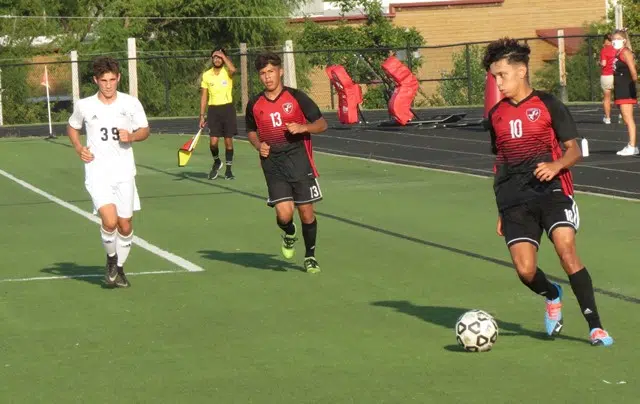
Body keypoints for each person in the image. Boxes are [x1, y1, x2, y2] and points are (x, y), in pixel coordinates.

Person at [483, 38, 613, 346]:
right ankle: (552, 294)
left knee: (566, 249)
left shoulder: (548, 104)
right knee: (525, 271)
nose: (498, 83)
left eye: (502, 75)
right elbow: (499, 163)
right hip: (514, 198)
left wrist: (556, 166)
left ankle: (595, 326)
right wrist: (501, 209)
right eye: (494, 77)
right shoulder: (495, 116)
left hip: (552, 190)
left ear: (522, 71)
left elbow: (574, 150)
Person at [67, 56, 150, 288]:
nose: (108, 85)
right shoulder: (84, 105)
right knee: (110, 221)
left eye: (112, 79)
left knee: (125, 225)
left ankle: (119, 269)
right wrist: (78, 147)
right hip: (97, 172)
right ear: (96, 80)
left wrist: (131, 136)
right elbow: (73, 127)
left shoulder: (130, 103)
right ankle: (112, 259)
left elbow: (145, 130)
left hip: (124, 172)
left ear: (119, 78)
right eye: (103, 80)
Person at [245, 52, 328, 273]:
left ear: (280, 72)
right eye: (262, 73)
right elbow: (251, 131)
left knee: (307, 213)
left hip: (298, 159)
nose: (267, 77)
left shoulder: (297, 97)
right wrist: (258, 144)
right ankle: (289, 232)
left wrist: (303, 128)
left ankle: (310, 256)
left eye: (271, 71)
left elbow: (321, 124)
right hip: (273, 163)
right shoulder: (254, 104)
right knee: (284, 214)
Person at [199, 47, 238, 179]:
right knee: (213, 143)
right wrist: (202, 115)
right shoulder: (206, 75)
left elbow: (233, 69)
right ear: (212, 59)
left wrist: (224, 56)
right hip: (213, 110)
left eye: (220, 57)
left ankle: (228, 170)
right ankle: (217, 162)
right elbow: (204, 96)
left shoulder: (227, 72)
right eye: (215, 57)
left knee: (228, 142)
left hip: (227, 109)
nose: (217, 59)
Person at [611, 29, 638, 156]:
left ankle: (632, 146)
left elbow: (633, 72)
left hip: (626, 89)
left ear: (624, 40)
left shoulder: (626, 52)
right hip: (620, 88)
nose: (614, 41)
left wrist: (634, 87)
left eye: (617, 39)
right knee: (626, 119)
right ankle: (633, 145)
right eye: (613, 39)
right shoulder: (618, 53)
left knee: (628, 119)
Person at [599, 34, 616, 124]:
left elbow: (604, 63)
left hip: (606, 75)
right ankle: (622, 115)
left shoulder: (604, 50)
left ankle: (608, 118)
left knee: (607, 98)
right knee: (618, 97)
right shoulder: (616, 49)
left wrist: (599, 63)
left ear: (606, 40)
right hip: (616, 75)